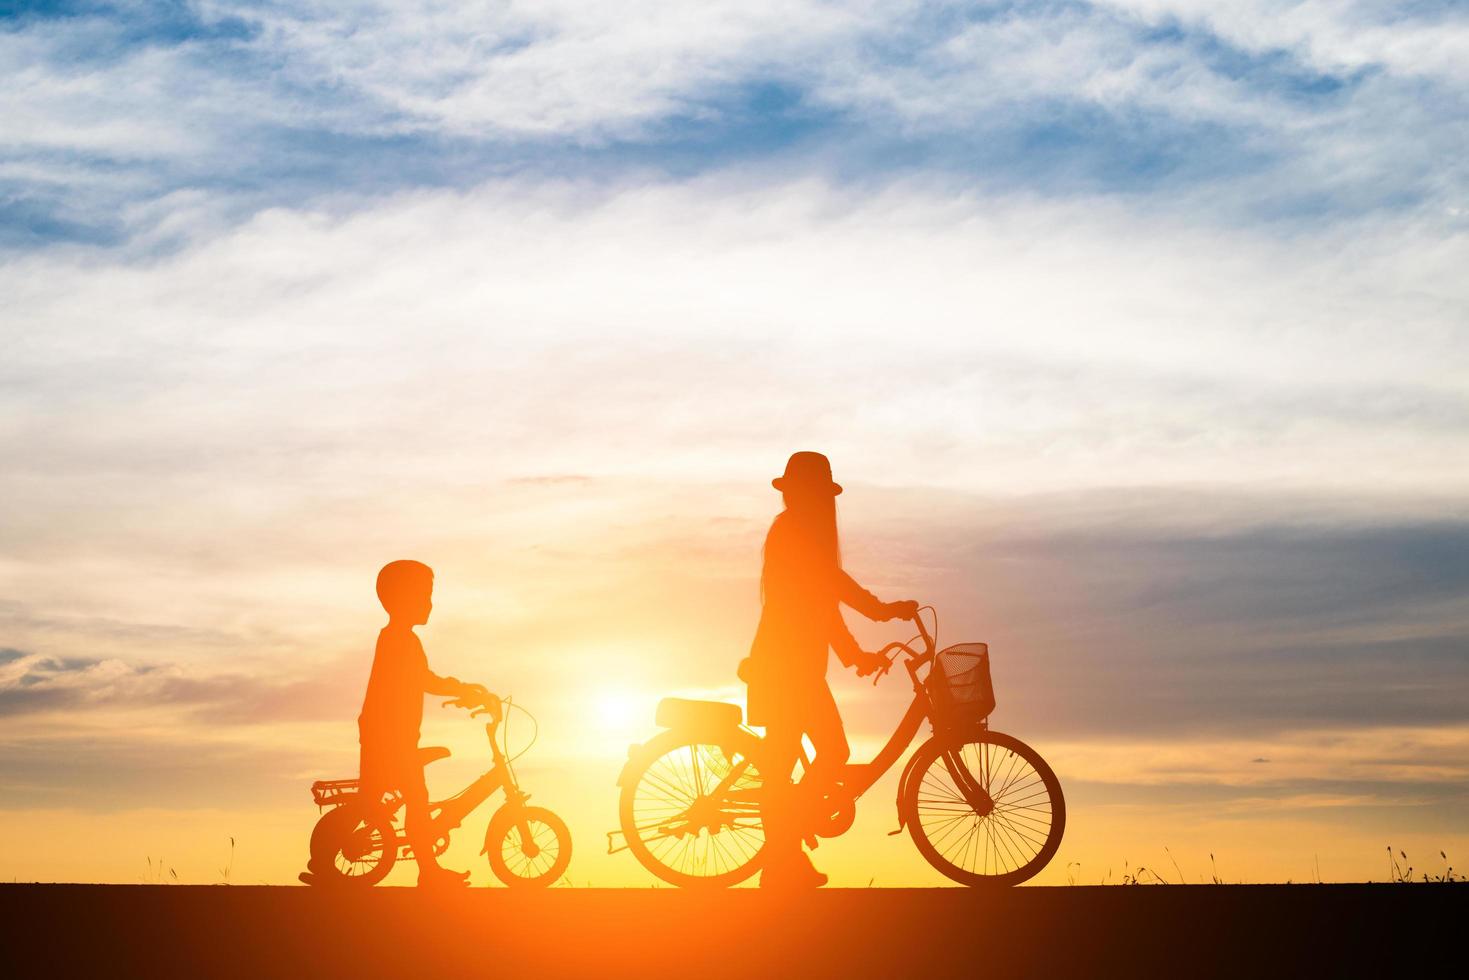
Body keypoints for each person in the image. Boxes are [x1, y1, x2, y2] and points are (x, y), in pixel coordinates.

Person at [742, 451, 919, 888]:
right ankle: (782, 855)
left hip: (795, 668)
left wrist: (856, 655)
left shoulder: (800, 534)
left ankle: (785, 855)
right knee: (797, 761)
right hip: (784, 669)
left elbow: (822, 607)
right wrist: (882, 611)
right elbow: (832, 585)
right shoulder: (794, 533)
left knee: (803, 759)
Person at [325, 559, 488, 887]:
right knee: (408, 800)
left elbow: (420, 679)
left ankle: (327, 859)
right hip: (389, 738)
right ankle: (428, 872)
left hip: (388, 735)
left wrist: (460, 689)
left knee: (381, 799)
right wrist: (462, 689)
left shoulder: (398, 638)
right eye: (424, 595)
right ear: (401, 599)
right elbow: (423, 679)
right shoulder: (398, 640)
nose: (430, 603)